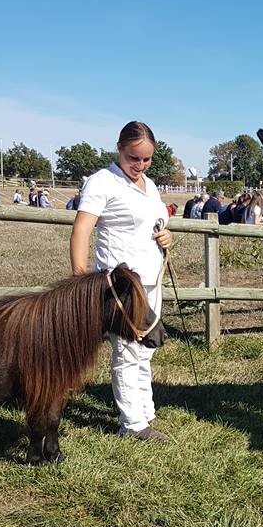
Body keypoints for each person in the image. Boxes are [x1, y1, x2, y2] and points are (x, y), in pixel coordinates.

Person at [69, 120, 172, 441]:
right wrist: (79, 274)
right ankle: (133, 424)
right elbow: (82, 229)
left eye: (146, 159)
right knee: (127, 350)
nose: (140, 166)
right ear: (119, 150)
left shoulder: (150, 185)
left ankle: (145, 411)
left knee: (145, 350)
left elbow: (153, 223)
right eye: (133, 158)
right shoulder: (101, 182)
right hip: (121, 285)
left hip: (151, 281)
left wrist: (166, 236)